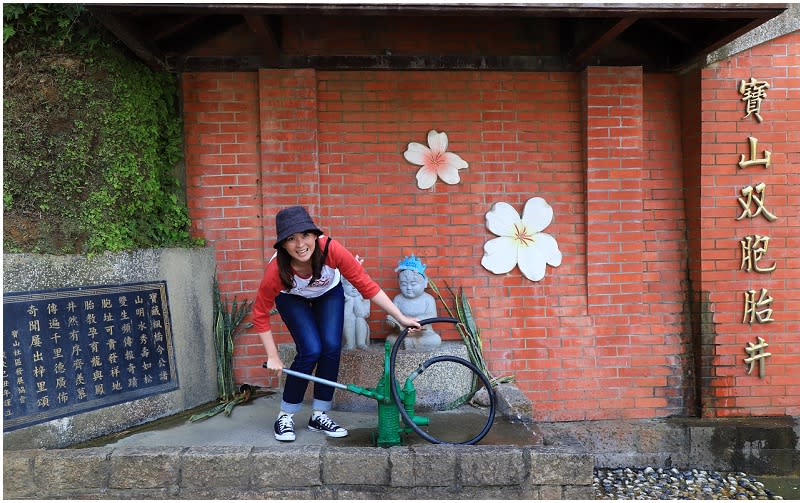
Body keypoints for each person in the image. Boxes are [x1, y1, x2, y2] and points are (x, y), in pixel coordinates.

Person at [252, 206, 421, 442]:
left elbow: (366, 285)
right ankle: (285, 416)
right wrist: (272, 355)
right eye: (291, 239)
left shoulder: (331, 249)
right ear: (282, 245)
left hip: (327, 292)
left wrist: (401, 318)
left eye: (305, 235)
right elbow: (259, 313)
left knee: (331, 346)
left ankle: (319, 415)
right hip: (291, 297)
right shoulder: (276, 271)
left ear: (314, 235)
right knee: (310, 349)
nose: (300, 244)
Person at [385, 255, 442, 350]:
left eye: (413, 284)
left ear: (425, 283)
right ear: (399, 283)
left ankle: (409, 343)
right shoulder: (398, 299)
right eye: (404, 284)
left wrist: (417, 320)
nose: (408, 288)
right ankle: (409, 342)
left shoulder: (428, 299)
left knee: (435, 340)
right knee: (389, 340)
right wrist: (392, 322)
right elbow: (392, 315)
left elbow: (432, 316)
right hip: (402, 333)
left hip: (423, 334)